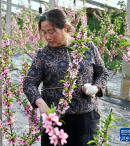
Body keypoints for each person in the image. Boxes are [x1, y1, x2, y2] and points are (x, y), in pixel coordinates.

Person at [23, 9, 109, 146]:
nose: (47, 37)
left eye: (51, 32)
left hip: (87, 117)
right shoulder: (43, 54)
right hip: (56, 119)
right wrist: (39, 102)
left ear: (65, 27)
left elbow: (102, 72)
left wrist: (96, 87)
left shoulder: (87, 47)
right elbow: (29, 82)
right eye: (44, 33)